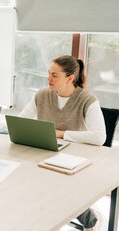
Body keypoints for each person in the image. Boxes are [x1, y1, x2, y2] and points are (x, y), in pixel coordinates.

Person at [20, 55, 105, 230]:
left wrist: (60, 134)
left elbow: (99, 137)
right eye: (48, 73)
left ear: (70, 78)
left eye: (54, 75)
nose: (48, 78)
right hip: (44, 153)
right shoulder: (42, 94)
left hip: (73, 158)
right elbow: (21, 121)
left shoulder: (87, 100)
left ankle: (92, 221)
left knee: (57, 188)